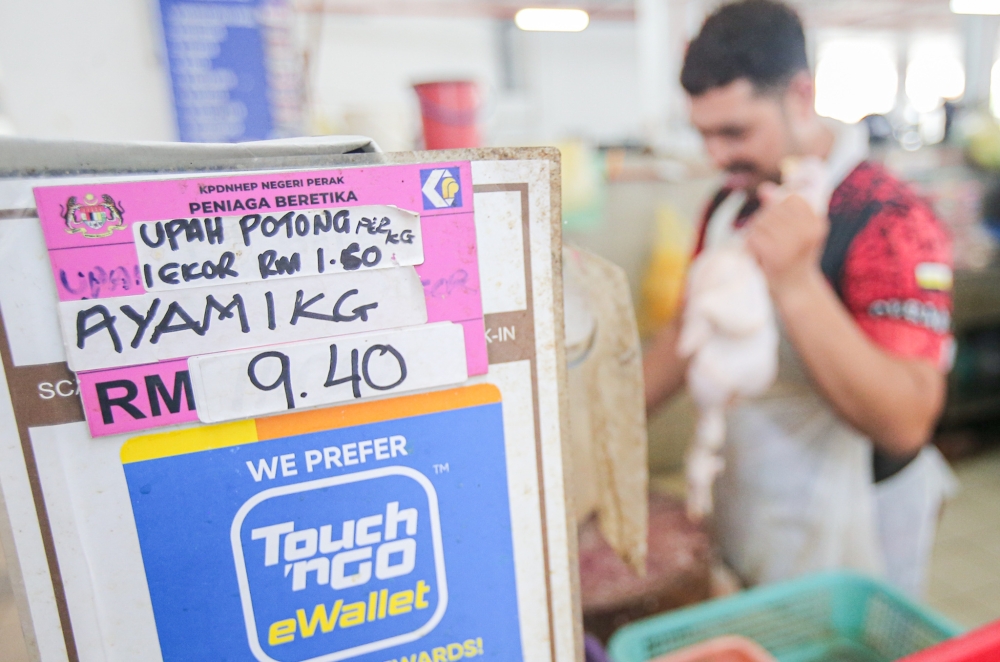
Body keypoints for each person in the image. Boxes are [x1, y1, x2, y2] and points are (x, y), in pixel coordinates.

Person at [643, 0, 955, 596]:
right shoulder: (728, 205)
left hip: (853, 528)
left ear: (800, 95)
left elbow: (906, 421)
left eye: (735, 132)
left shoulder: (889, 219)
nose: (717, 157)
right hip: (749, 502)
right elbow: (681, 338)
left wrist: (796, 283)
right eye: (703, 133)